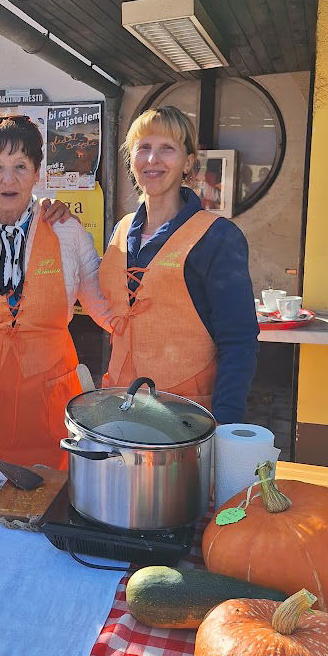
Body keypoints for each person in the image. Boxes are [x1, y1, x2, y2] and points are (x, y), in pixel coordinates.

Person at [0, 113, 113, 469]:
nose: (7, 180)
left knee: (52, 501)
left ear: (38, 173)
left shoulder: (66, 232)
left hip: (53, 407)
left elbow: (105, 304)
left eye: (20, 166)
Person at [98, 106, 257, 424]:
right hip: (119, 406)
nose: (152, 160)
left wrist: (224, 426)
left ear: (188, 162)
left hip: (186, 416)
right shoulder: (120, 230)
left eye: (166, 148)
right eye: (143, 147)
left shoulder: (217, 237)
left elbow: (239, 342)